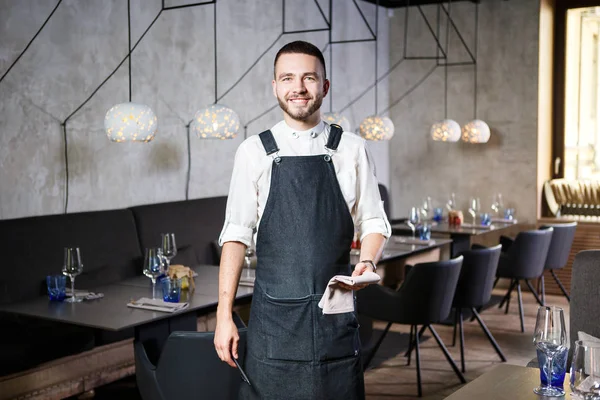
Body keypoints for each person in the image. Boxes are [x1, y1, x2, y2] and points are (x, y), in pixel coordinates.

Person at [214, 40, 391, 399]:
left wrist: (368, 260)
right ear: (275, 86)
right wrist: (223, 315)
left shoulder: (352, 149)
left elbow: (374, 222)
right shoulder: (253, 152)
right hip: (273, 320)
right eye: (288, 78)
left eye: (309, 78)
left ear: (325, 86)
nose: (298, 88)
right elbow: (236, 235)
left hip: (334, 315)